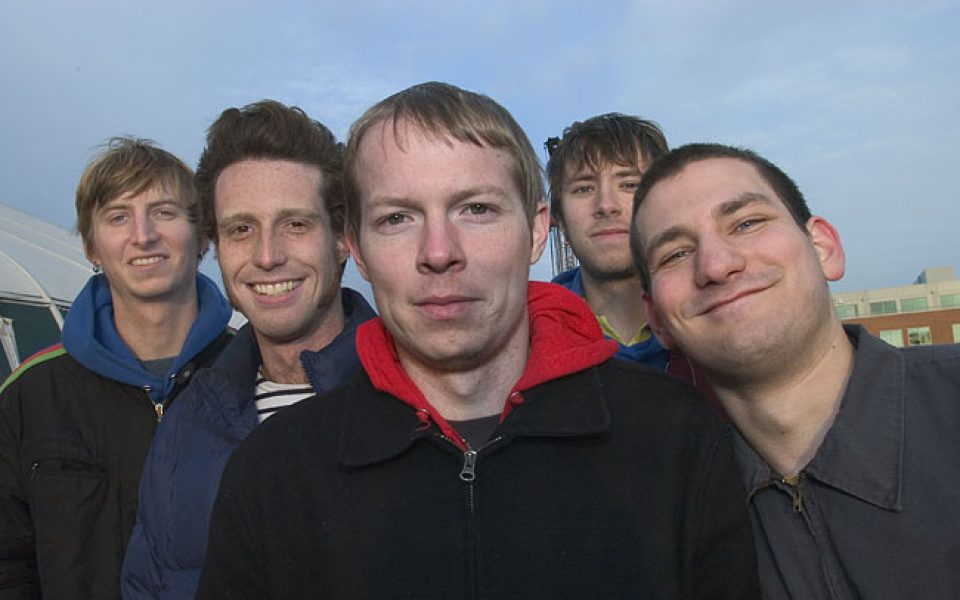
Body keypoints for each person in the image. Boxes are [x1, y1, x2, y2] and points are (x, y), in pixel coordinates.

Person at [194, 83, 758, 599]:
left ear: (537, 230)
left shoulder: (676, 438)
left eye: (477, 209)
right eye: (397, 218)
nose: (439, 251)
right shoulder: (271, 475)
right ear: (358, 249)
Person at [630, 142, 960, 599]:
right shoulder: (673, 519)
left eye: (746, 223)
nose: (717, 265)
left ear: (824, 248)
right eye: (675, 254)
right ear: (658, 321)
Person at [121, 100, 375, 600]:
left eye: (295, 224)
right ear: (216, 247)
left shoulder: (417, 402)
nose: (267, 256)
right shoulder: (187, 422)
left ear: (343, 239)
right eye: (241, 229)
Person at [0, 138, 233, 599]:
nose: (143, 235)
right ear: (92, 247)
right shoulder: (33, 395)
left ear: (203, 236)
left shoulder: (251, 376)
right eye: (118, 217)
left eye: (164, 212)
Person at [546, 114, 719, 411]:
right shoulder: (525, 343)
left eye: (628, 184)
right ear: (558, 218)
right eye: (584, 188)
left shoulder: (722, 318)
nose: (606, 206)